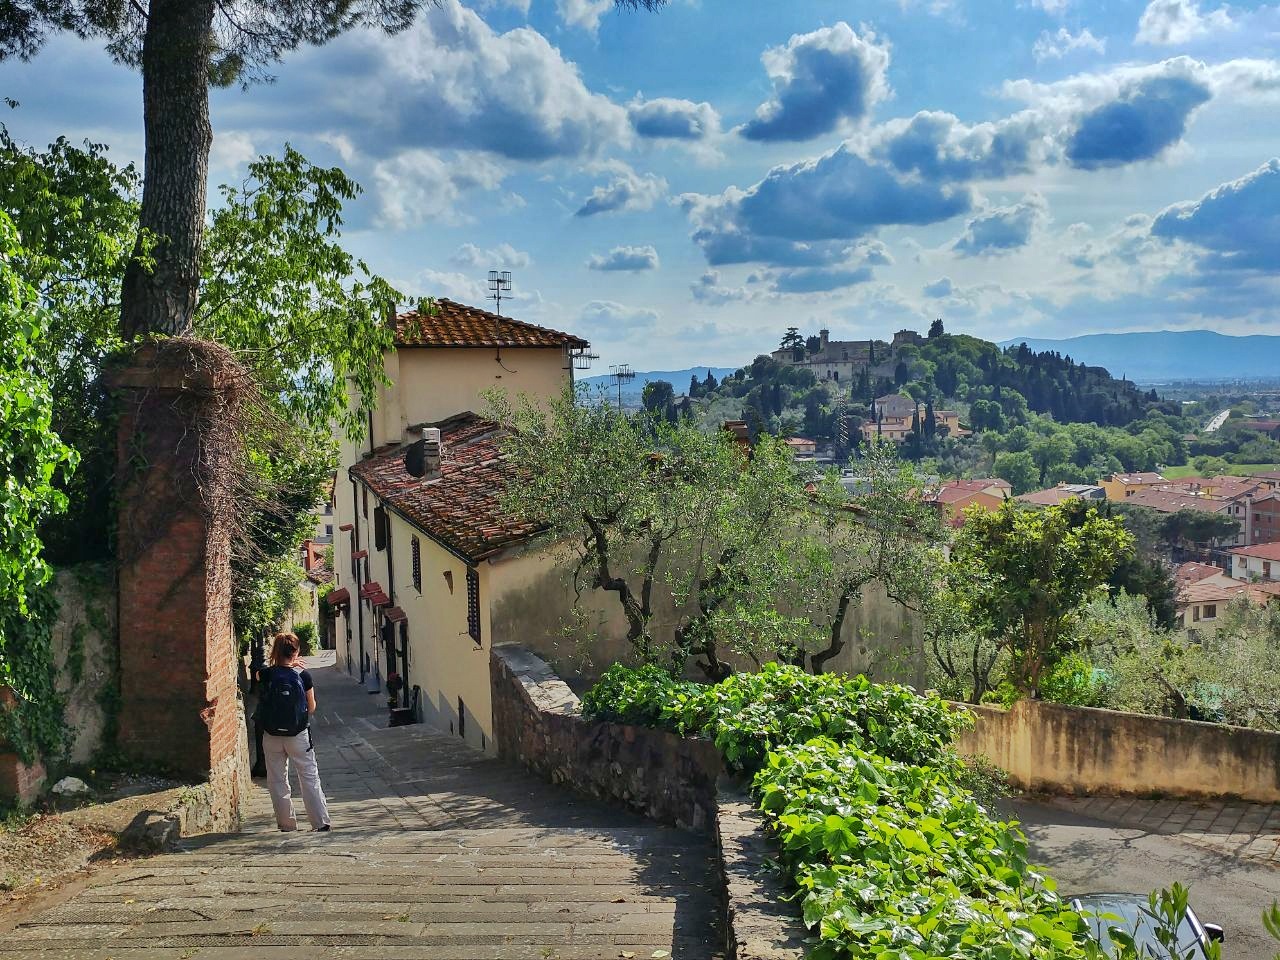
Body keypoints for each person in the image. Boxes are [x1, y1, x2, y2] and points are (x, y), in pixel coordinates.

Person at [259, 632, 331, 832]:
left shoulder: (265, 674)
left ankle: (287, 824)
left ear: (275, 650)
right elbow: (312, 706)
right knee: (309, 776)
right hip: (298, 735)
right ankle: (320, 822)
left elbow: (261, 676)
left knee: (277, 779)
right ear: (297, 651)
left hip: (272, 735)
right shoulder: (303, 675)